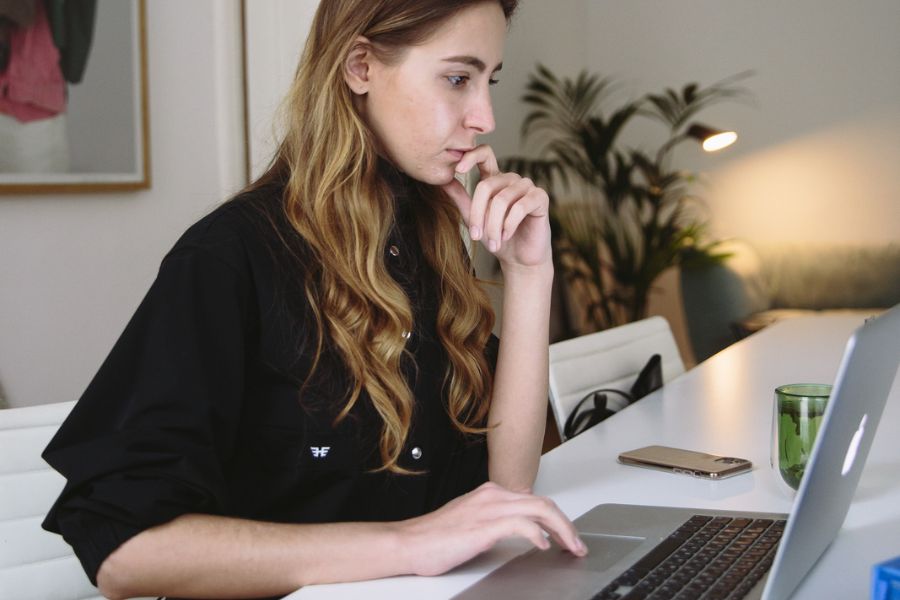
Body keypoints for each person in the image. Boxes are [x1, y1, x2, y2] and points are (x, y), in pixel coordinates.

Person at [42, 1, 587, 598]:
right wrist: (410, 543)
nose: (482, 116)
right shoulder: (232, 256)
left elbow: (507, 489)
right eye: (458, 78)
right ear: (360, 67)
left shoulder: (424, 234)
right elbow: (123, 552)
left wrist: (530, 274)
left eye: (490, 81)